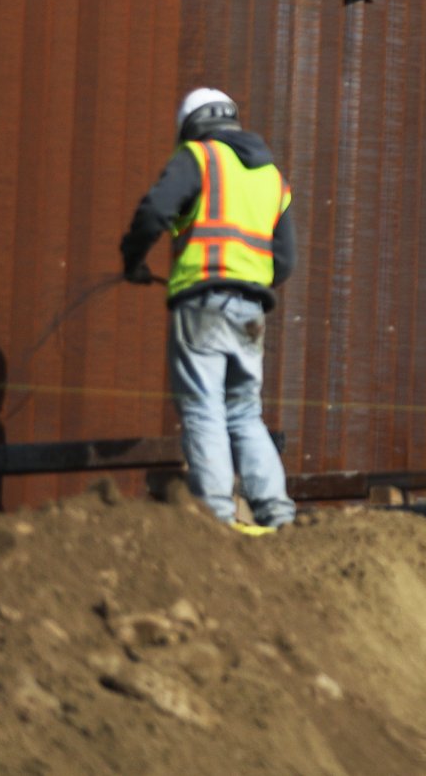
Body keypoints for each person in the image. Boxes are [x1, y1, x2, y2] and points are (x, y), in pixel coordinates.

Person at [121, 88, 296, 534]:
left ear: (191, 126)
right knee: (244, 412)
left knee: (203, 408)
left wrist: (133, 260)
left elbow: (155, 211)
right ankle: (278, 515)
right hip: (252, 310)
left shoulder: (199, 158)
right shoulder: (272, 177)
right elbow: (286, 261)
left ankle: (216, 517)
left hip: (202, 304)